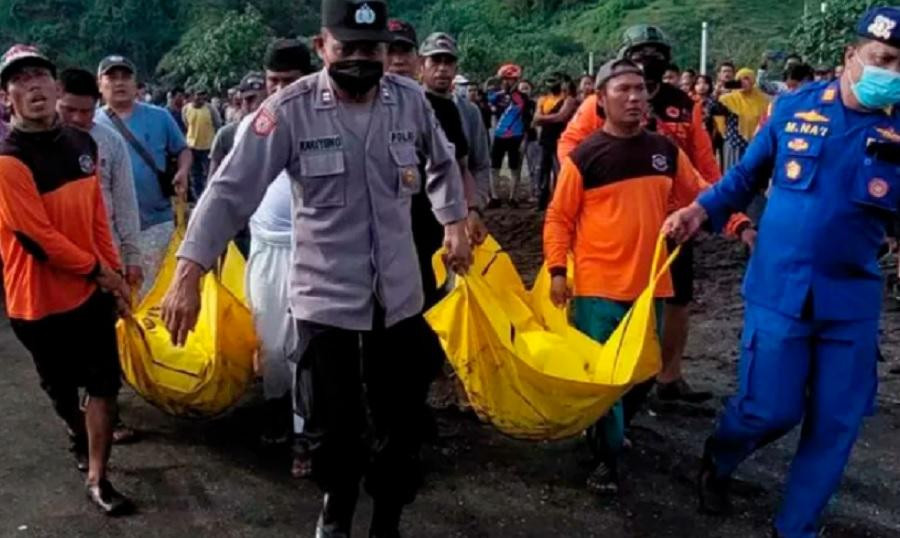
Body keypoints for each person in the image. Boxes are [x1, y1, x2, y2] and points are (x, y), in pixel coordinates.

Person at [159, 0, 473, 535]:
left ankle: (388, 519)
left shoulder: (411, 101)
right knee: (334, 428)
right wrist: (187, 275)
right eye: (347, 48)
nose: (361, 59)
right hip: (326, 299)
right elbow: (229, 192)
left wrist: (455, 222)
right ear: (321, 47)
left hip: (397, 296)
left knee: (400, 425)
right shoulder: (289, 110)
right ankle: (337, 509)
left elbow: (442, 162)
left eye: (371, 49)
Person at [663, 8, 900, 537]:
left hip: (852, 303)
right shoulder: (794, 108)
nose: (894, 73)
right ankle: (719, 459)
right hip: (779, 291)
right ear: (851, 57)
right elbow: (745, 175)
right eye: (884, 60)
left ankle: (795, 528)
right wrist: (700, 210)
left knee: (834, 425)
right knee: (769, 409)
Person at [558, 25, 753, 422]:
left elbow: (705, 164)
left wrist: (729, 216)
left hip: (676, 223)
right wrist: (589, 189)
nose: (648, 61)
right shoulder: (601, 103)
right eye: (640, 52)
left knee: (677, 300)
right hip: (614, 223)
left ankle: (668, 377)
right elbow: (570, 147)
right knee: (610, 310)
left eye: (656, 52)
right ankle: (604, 400)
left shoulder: (683, 102)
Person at [545, 58, 707, 496]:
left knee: (642, 374)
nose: (636, 98)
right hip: (597, 286)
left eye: (641, 89)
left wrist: (723, 221)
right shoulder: (584, 157)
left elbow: (699, 197)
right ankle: (606, 459)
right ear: (600, 100)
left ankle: (608, 433)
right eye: (624, 90)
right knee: (605, 378)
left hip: (651, 285)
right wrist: (559, 271)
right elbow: (559, 218)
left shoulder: (665, 151)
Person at [0, 44, 134, 515]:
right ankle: (78, 435)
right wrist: (100, 272)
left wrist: (114, 274)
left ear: (56, 87)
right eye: (20, 79)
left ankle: (99, 477)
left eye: (40, 75)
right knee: (60, 391)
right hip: (35, 303)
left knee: (103, 385)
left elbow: (98, 217)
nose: (32, 85)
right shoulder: (7, 159)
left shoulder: (84, 145)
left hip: (88, 296)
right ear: (6, 96)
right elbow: (40, 240)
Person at [210, 39, 315, 477]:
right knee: (271, 344)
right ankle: (276, 409)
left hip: (317, 253)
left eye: (290, 83)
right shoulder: (245, 129)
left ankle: (305, 436)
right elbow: (222, 192)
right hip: (266, 250)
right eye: (274, 81)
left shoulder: (328, 122)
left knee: (307, 348)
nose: (279, 91)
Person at [57, 68, 143, 446]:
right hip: (55, 264)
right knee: (64, 351)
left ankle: (107, 415)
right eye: (69, 110)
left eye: (86, 112)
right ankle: (76, 414)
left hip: (104, 261)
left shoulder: (109, 142)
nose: (78, 120)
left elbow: (125, 202)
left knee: (103, 345)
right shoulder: (32, 147)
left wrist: (131, 254)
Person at [94, 55, 191, 297]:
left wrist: (183, 171)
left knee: (160, 295)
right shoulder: (92, 124)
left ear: (136, 83)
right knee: (125, 299)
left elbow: (182, 149)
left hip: (157, 223)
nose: (119, 83)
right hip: (111, 231)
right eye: (112, 78)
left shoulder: (159, 117)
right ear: (99, 85)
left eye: (125, 77)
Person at [534, 72, 578, 209]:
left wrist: (543, 118)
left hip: (560, 139)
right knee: (543, 171)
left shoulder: (569, 99)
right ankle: (542, 201)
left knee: (559, 171)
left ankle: (560, 201)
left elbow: (561, 117)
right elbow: (536, 119)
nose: (551, 84)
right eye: (549, 81)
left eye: (554, 81)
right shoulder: (544, 99)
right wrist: (545, 118)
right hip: (546, 138)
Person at [488, 63, 527, 207]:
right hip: (499, 135)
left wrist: (525, 137)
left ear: (516, 80)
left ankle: (513, 197)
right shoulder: (495, 96)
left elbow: (527, 118)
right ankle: (495, 196)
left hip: (516, 136)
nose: (506, 82)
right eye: (503, 79)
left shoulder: (522, 98)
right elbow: (487, 102)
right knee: (494, 166)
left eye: (509, 79)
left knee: (514, 167)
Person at [718, 68, 770, 170]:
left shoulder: (763, 100)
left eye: (746, 78)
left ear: (753, 80)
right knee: (734, 175)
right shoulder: (727, 99)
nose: (742, 82)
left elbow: (767, 122)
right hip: (734, 144)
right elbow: (717, 116)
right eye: (739, 79)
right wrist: (717, 93)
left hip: (755, 145)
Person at [182, 87, 222, 200]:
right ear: (192, 96)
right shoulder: (186, 109)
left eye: (202, 95)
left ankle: (209, 196)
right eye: (198, 94)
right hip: (192, 146)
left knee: (209, 173)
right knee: (195, 175)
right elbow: (186, 123)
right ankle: (198, 198)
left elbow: (217, 124)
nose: (200, 97)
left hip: (208, 147)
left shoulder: (210, 109)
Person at [518, 78, 540, 202]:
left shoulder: (534, 104)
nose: (524, 91)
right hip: (516, 138)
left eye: (526, 88)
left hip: (532, 137)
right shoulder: (514, 106)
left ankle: (535, 192)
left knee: (534, 166)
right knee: (516, 168)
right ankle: (514, 195)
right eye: (522, 89)